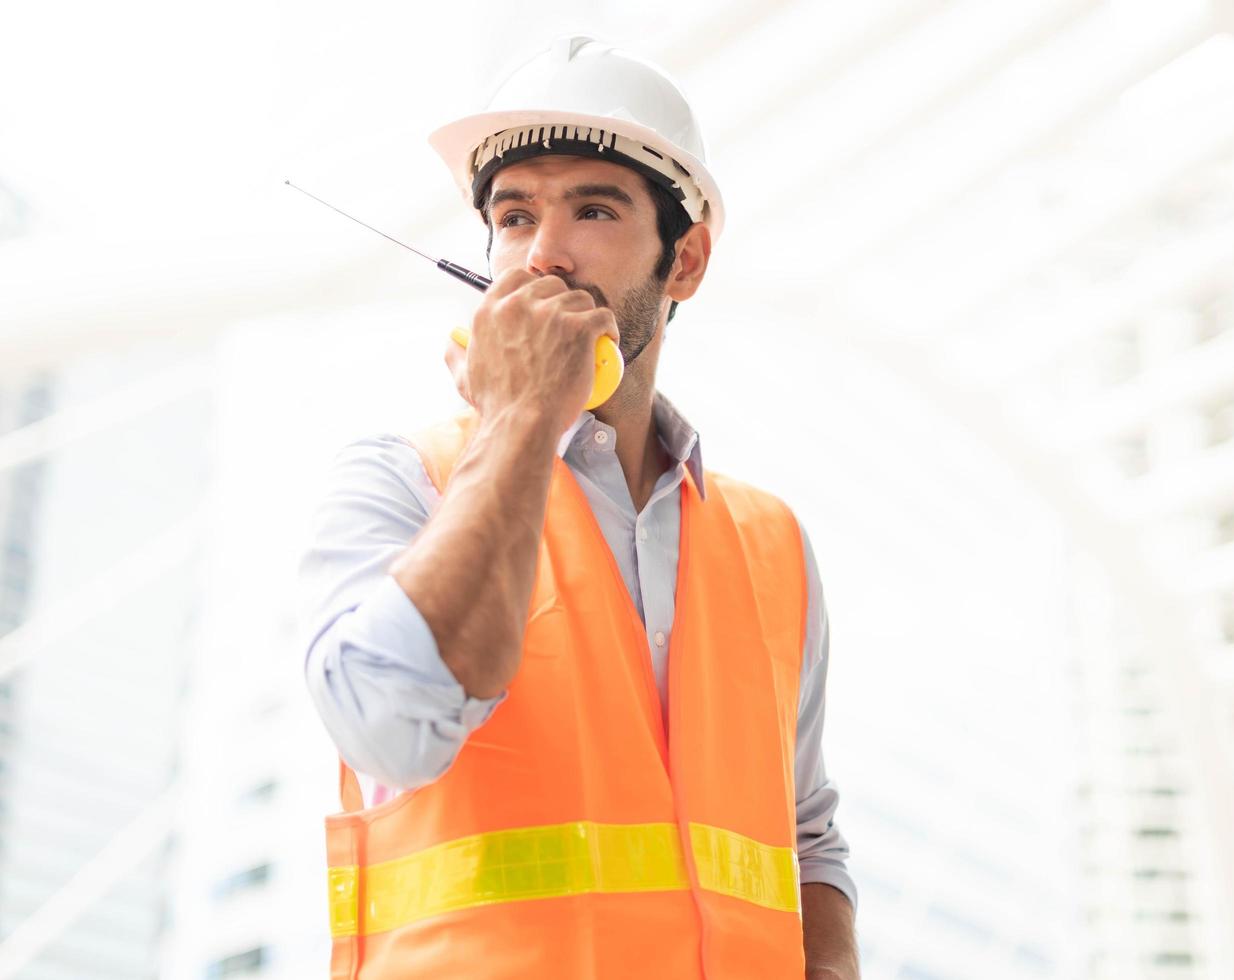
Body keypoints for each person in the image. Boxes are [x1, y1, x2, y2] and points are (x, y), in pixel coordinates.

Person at [297, 35, 858, 979]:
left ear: (684, 262)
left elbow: (806, 839)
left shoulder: (770, 543)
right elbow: (387, 726)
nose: (544, 254)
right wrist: (518, 416)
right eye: (514, 218)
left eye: (593, 208)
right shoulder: (400, 481)